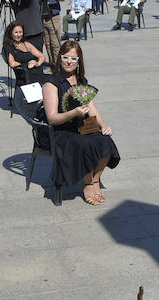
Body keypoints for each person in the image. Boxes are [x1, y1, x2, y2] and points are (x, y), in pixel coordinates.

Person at [41, 40, 119, 207]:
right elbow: (52, 118)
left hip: (82, 125)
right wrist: (74, 113)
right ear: (59, 58)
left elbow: (92, 108)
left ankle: (94, 180)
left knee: (105, 141)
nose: (69, 61)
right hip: (62, 130)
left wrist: (103, 126)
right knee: (86, 143)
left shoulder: (81, 80)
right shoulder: (51, 83)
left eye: (74, 59)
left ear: (79, 61)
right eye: (65, 57)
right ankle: (88, 183)